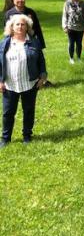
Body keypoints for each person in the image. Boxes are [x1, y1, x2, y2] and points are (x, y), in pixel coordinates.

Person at [0, 15, 47, 148]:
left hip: (29, 83)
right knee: (8, 112)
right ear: (11, 27)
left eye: (23, 24)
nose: (20, 27)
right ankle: (5, 138)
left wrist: (42, 77)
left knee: (29, 110)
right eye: (17, 24)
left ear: (27, 27)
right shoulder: (4, 43)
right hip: (10, 85)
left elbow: (41, 61)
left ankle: (27, 135)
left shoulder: (34, 42)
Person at [62, 0, 84, 64]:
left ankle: (79, 58)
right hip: (70, 27)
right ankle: (71, 58)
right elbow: (65, 15)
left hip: (80, 28)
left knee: (79, 43)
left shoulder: (83, 4)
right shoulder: (67, 3)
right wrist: (65, 26)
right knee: (71, 43)